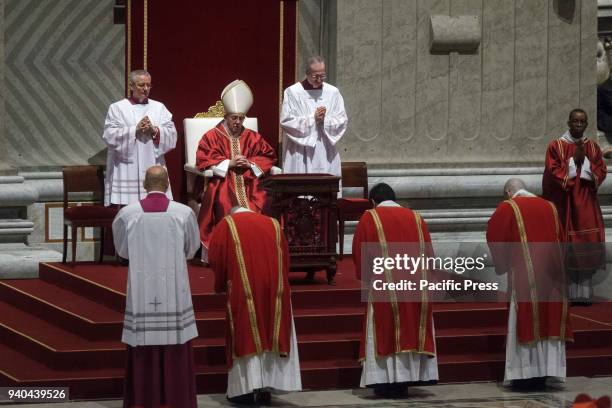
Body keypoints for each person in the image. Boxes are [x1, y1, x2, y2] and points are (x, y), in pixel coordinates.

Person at [112, 166, 200, 408]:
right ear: (168, 183)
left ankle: (143, 400)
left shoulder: (127, 214)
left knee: (142, 344)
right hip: (174, 291)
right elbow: (191, 249)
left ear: (144, 184)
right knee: (176, 342)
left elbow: (122, 251)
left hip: (141, 291)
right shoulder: (184, 213)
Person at [352, 183, 438, 398]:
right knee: (411, 329)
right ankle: (407, 379)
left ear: (373, 201)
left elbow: (360, 253)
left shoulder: (370, 217)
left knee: (385, 331)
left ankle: (385, 381)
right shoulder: (417, 218)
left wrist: (368, 278)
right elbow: (429, 255)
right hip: (415, 287)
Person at [208, 207, 302, 405]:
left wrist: (221, 284)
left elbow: (216, 258)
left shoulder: (227, 225)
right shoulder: (274, 224)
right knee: (271, 333)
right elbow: (286, 258)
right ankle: (267, 387)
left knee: (247, 336)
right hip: (275, 289)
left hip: (244, 290)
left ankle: (245, 391)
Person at [487, 178, 573, 391]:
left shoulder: (509, 207)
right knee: (549, 318)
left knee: (526, 319)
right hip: (553, 278)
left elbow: (494, 235)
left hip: (526, 277)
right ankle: (547, 373)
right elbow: (563, 241)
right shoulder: (550, 207)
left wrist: (505, 261)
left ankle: (525, 376)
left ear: (509, 192)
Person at [197, 79, 277, 263]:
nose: (238, 122)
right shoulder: (212, 136)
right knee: (223, 202)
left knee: (265, 201)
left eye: (241, 118)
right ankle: (226, 253)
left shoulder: (252, 136)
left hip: (250, 181)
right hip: (223, 182)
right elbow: (203, 159)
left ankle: (258, 251)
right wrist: (229, 163)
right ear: (226, 116)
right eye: (234, 118)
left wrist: (249, 163)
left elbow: (269, 155)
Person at [542, 109, 607, 304]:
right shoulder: (556, 146)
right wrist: (573, 161)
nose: (578, 124)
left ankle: (584, 294)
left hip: (586, 205)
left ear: (587, 124)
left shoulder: (593, 147)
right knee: (566, 247)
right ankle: (566, 294)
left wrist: (585, 164)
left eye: (582, 122)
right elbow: (552, 172)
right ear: (568, 122)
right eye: (575, 121)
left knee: (585, 244)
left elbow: (601, 170)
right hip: (565, 204)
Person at [103, 70, 177, 206]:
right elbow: (109, 135)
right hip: (127, 166)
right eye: (141, 85)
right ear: (131, 86)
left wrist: (154, 130)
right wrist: (134, 130)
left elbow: (172, 134)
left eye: (148, 85)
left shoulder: (159, 107)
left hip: (152, 162)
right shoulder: (117, 108)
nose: (146, 89)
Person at [280, 56, 348, 181]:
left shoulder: (333, 92)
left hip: (325, 149)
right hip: (300, 150)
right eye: (315, 76)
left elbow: (342, 119)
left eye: (322, 76)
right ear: (307, 73)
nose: (319, 80)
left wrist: (324, 120)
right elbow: (286, 121)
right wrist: (313, 119)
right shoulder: (293, 92)